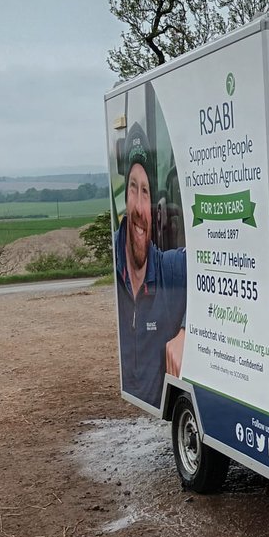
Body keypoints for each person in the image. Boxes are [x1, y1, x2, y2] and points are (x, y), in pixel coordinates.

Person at [114, 124, 186, 408]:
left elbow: (211, 267)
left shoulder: (169, 269)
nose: (139, 206)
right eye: (133, 188)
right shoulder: (116, 272)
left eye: (146, 192)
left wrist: (187, 331)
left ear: (154, 206)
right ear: (125, 197)